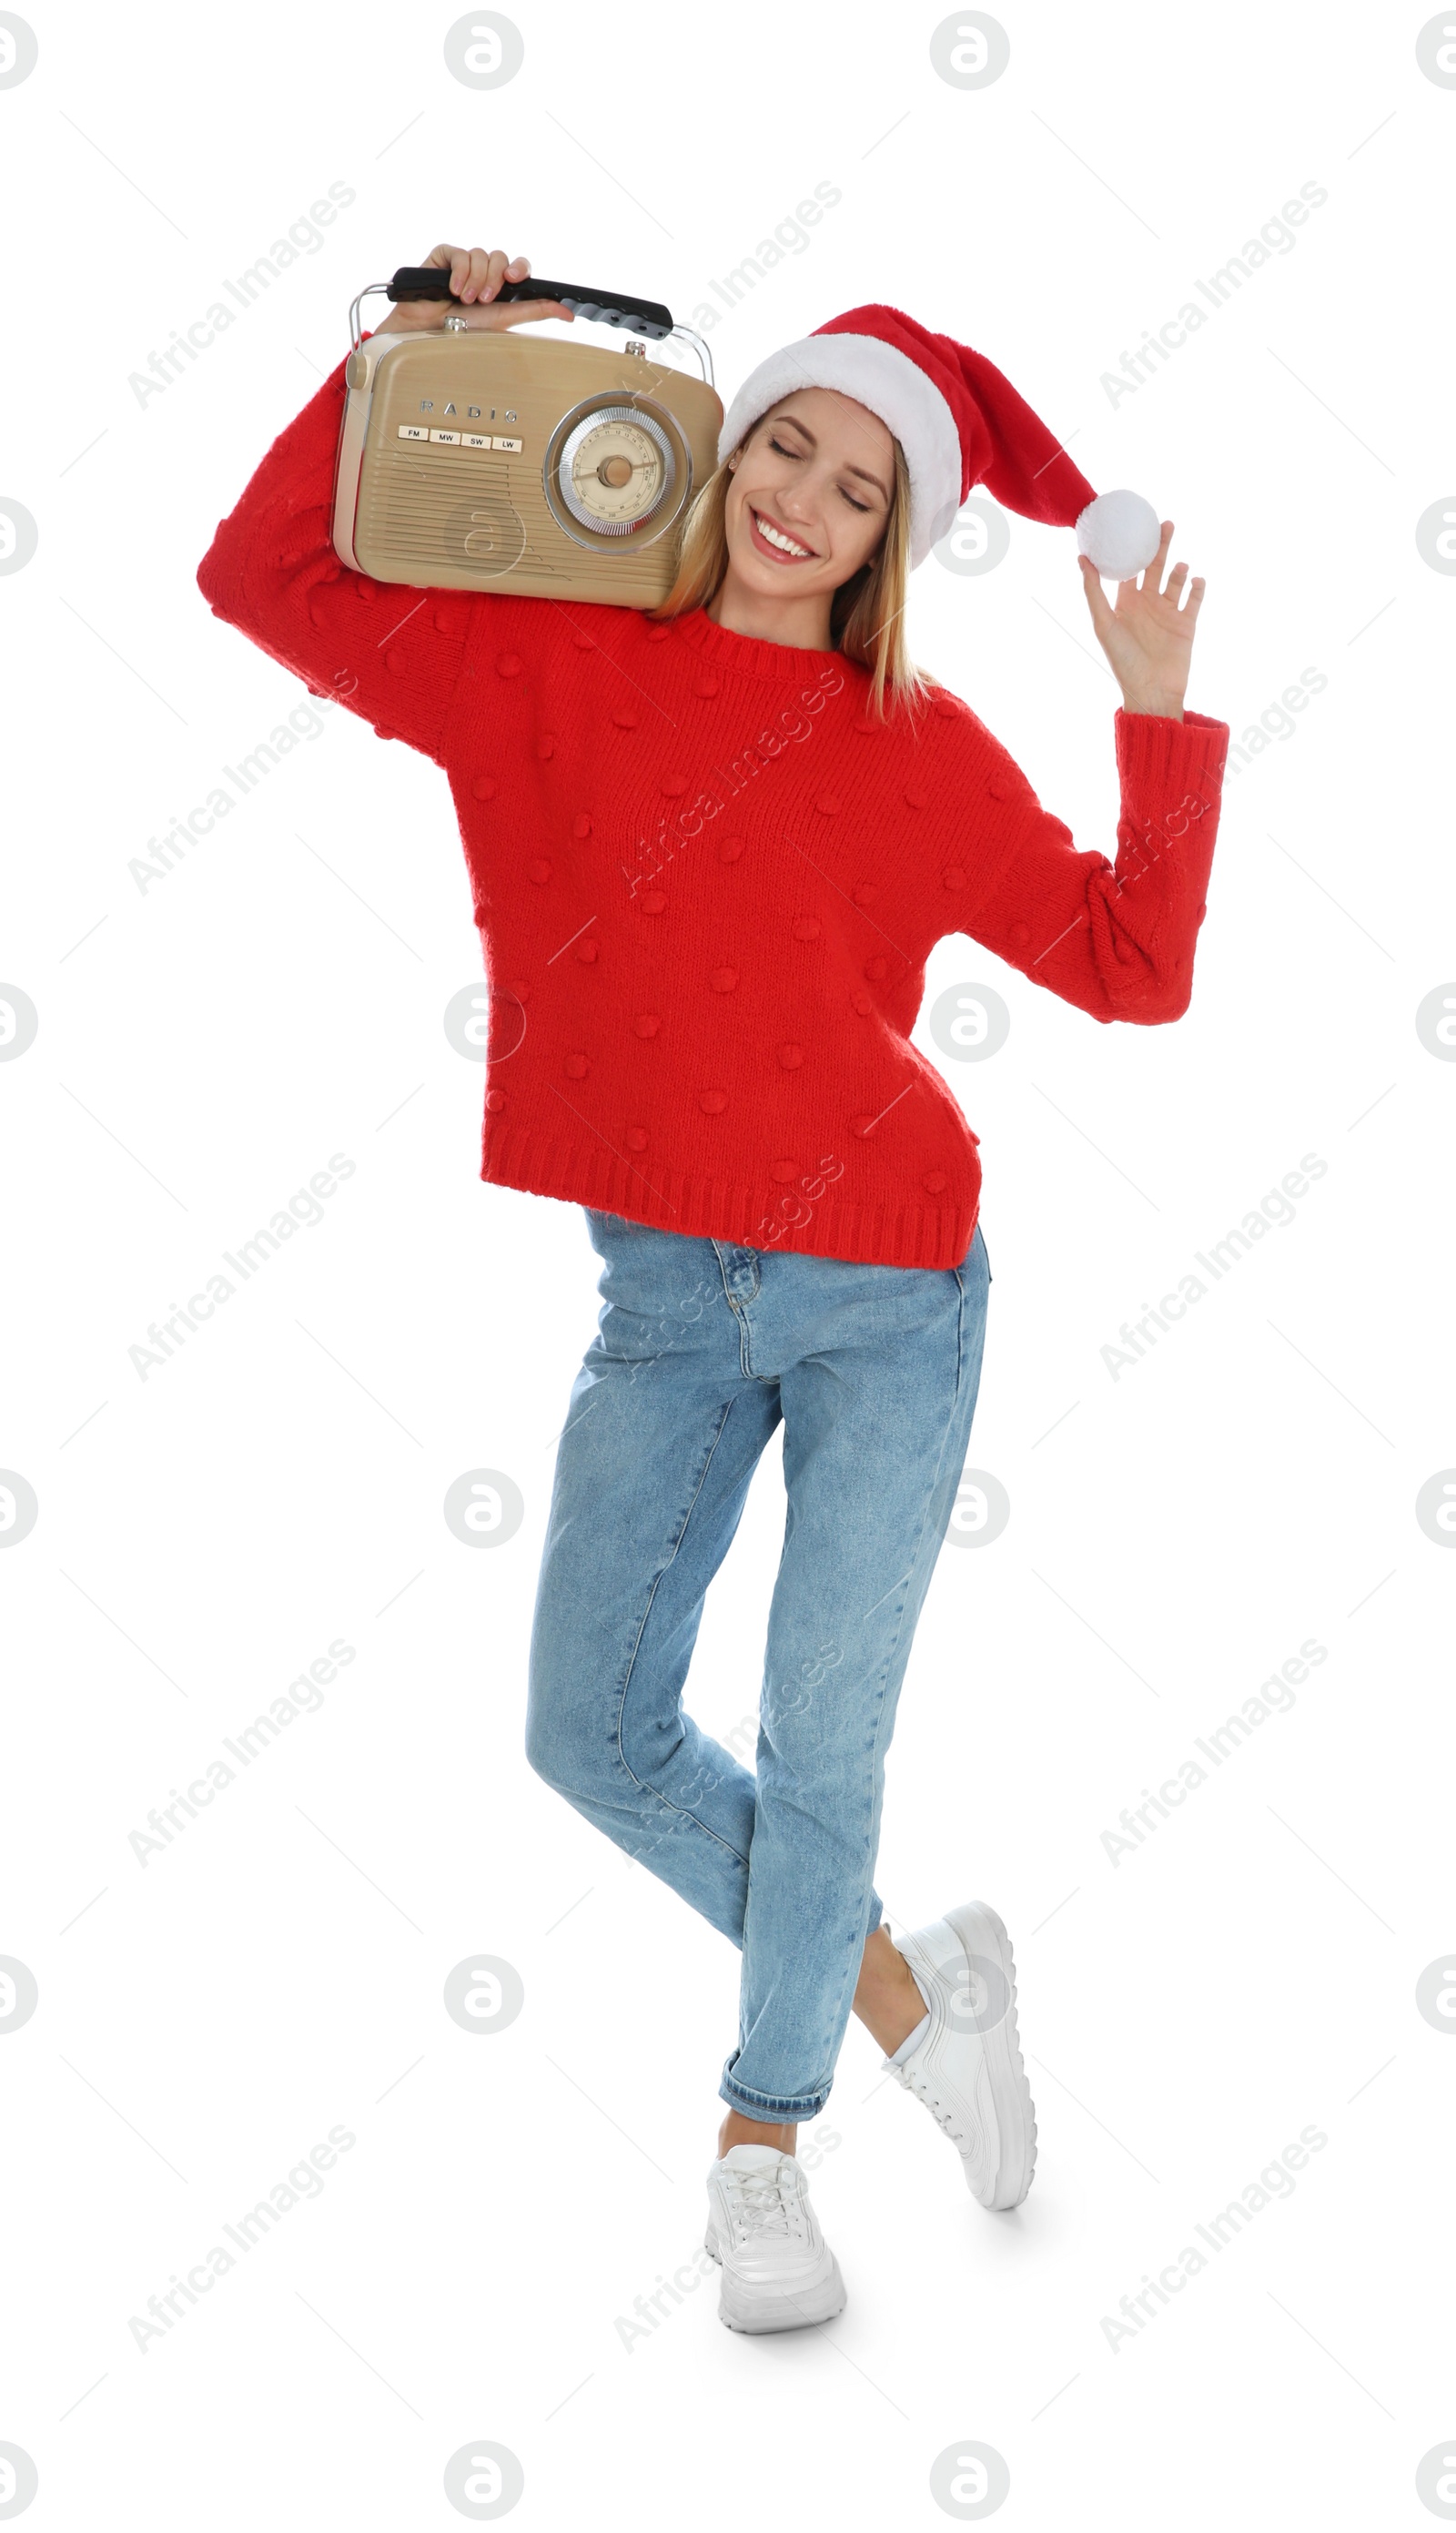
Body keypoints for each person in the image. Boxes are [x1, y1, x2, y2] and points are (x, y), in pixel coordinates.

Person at [197, 241, 1228, 2336]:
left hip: (891, 1298)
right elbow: (264, 578)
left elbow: (1134, 968)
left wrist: (1155, 722)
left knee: (817, 1746)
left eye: (857, 487)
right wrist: (406, 359)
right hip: (664, 1299)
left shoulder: (918, 747)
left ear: (894, 544)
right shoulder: (544, 663)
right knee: (586, 1730)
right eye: (784, 443)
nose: (800, 500)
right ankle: (908, 1987)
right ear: (720, 445)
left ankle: (761, 2146)